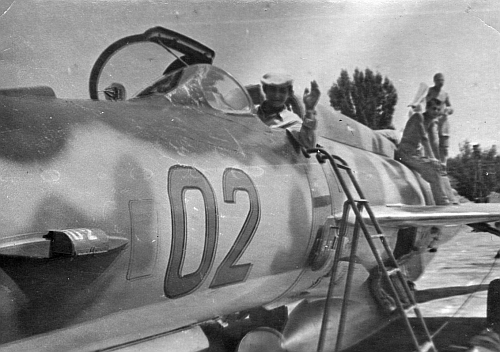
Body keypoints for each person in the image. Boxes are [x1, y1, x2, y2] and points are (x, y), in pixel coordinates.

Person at [397, 98, 452, 205]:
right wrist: (432, 159)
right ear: (427, 108)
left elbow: (433, 143)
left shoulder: (430, 123)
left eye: (438, 109)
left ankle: (444, 200)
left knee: (436, 168)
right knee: (433, 166)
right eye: (433, 109)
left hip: (415, 154)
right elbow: (424, 138)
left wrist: (439, 160)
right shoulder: (418, 117)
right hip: (406, 153)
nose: (436, 112)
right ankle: (442, 202)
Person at [257, 72, 320, 149]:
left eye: (282, 91)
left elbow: (308, 144)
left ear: (289, 93)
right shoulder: (251, 112)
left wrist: (310, 109)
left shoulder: (292, 120)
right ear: (265, 90)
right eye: (272, 90)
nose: (277, 95)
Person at [426, 73, 454, 168]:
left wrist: (448, 110)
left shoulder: (445, 94)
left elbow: (450, 107)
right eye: (438, 80)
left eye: (442, 80)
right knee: (433, 141)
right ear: (434, 81)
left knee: (444, 145)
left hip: (443, 120)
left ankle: (444, 163)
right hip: (432, 119)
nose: (440, 82)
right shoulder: (429, 91)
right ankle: (434, 161)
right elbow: (423, 102)